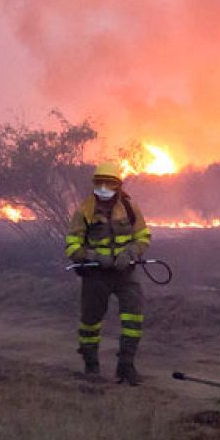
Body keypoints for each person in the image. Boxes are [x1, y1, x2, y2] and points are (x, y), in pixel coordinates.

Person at [63, 161, 151, 384]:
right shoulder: (85, 210)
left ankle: (126, 366)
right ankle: (91, 365)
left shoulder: (129, 208)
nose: (103, 188)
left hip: (125, 273)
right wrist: (91, 256)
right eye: (99, 183)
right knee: (90, 320)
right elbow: (72, 244)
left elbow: (143, 236)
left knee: (133, 317)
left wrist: (131, 252)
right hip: (96, 275)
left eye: (109, 183)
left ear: (118, 186)